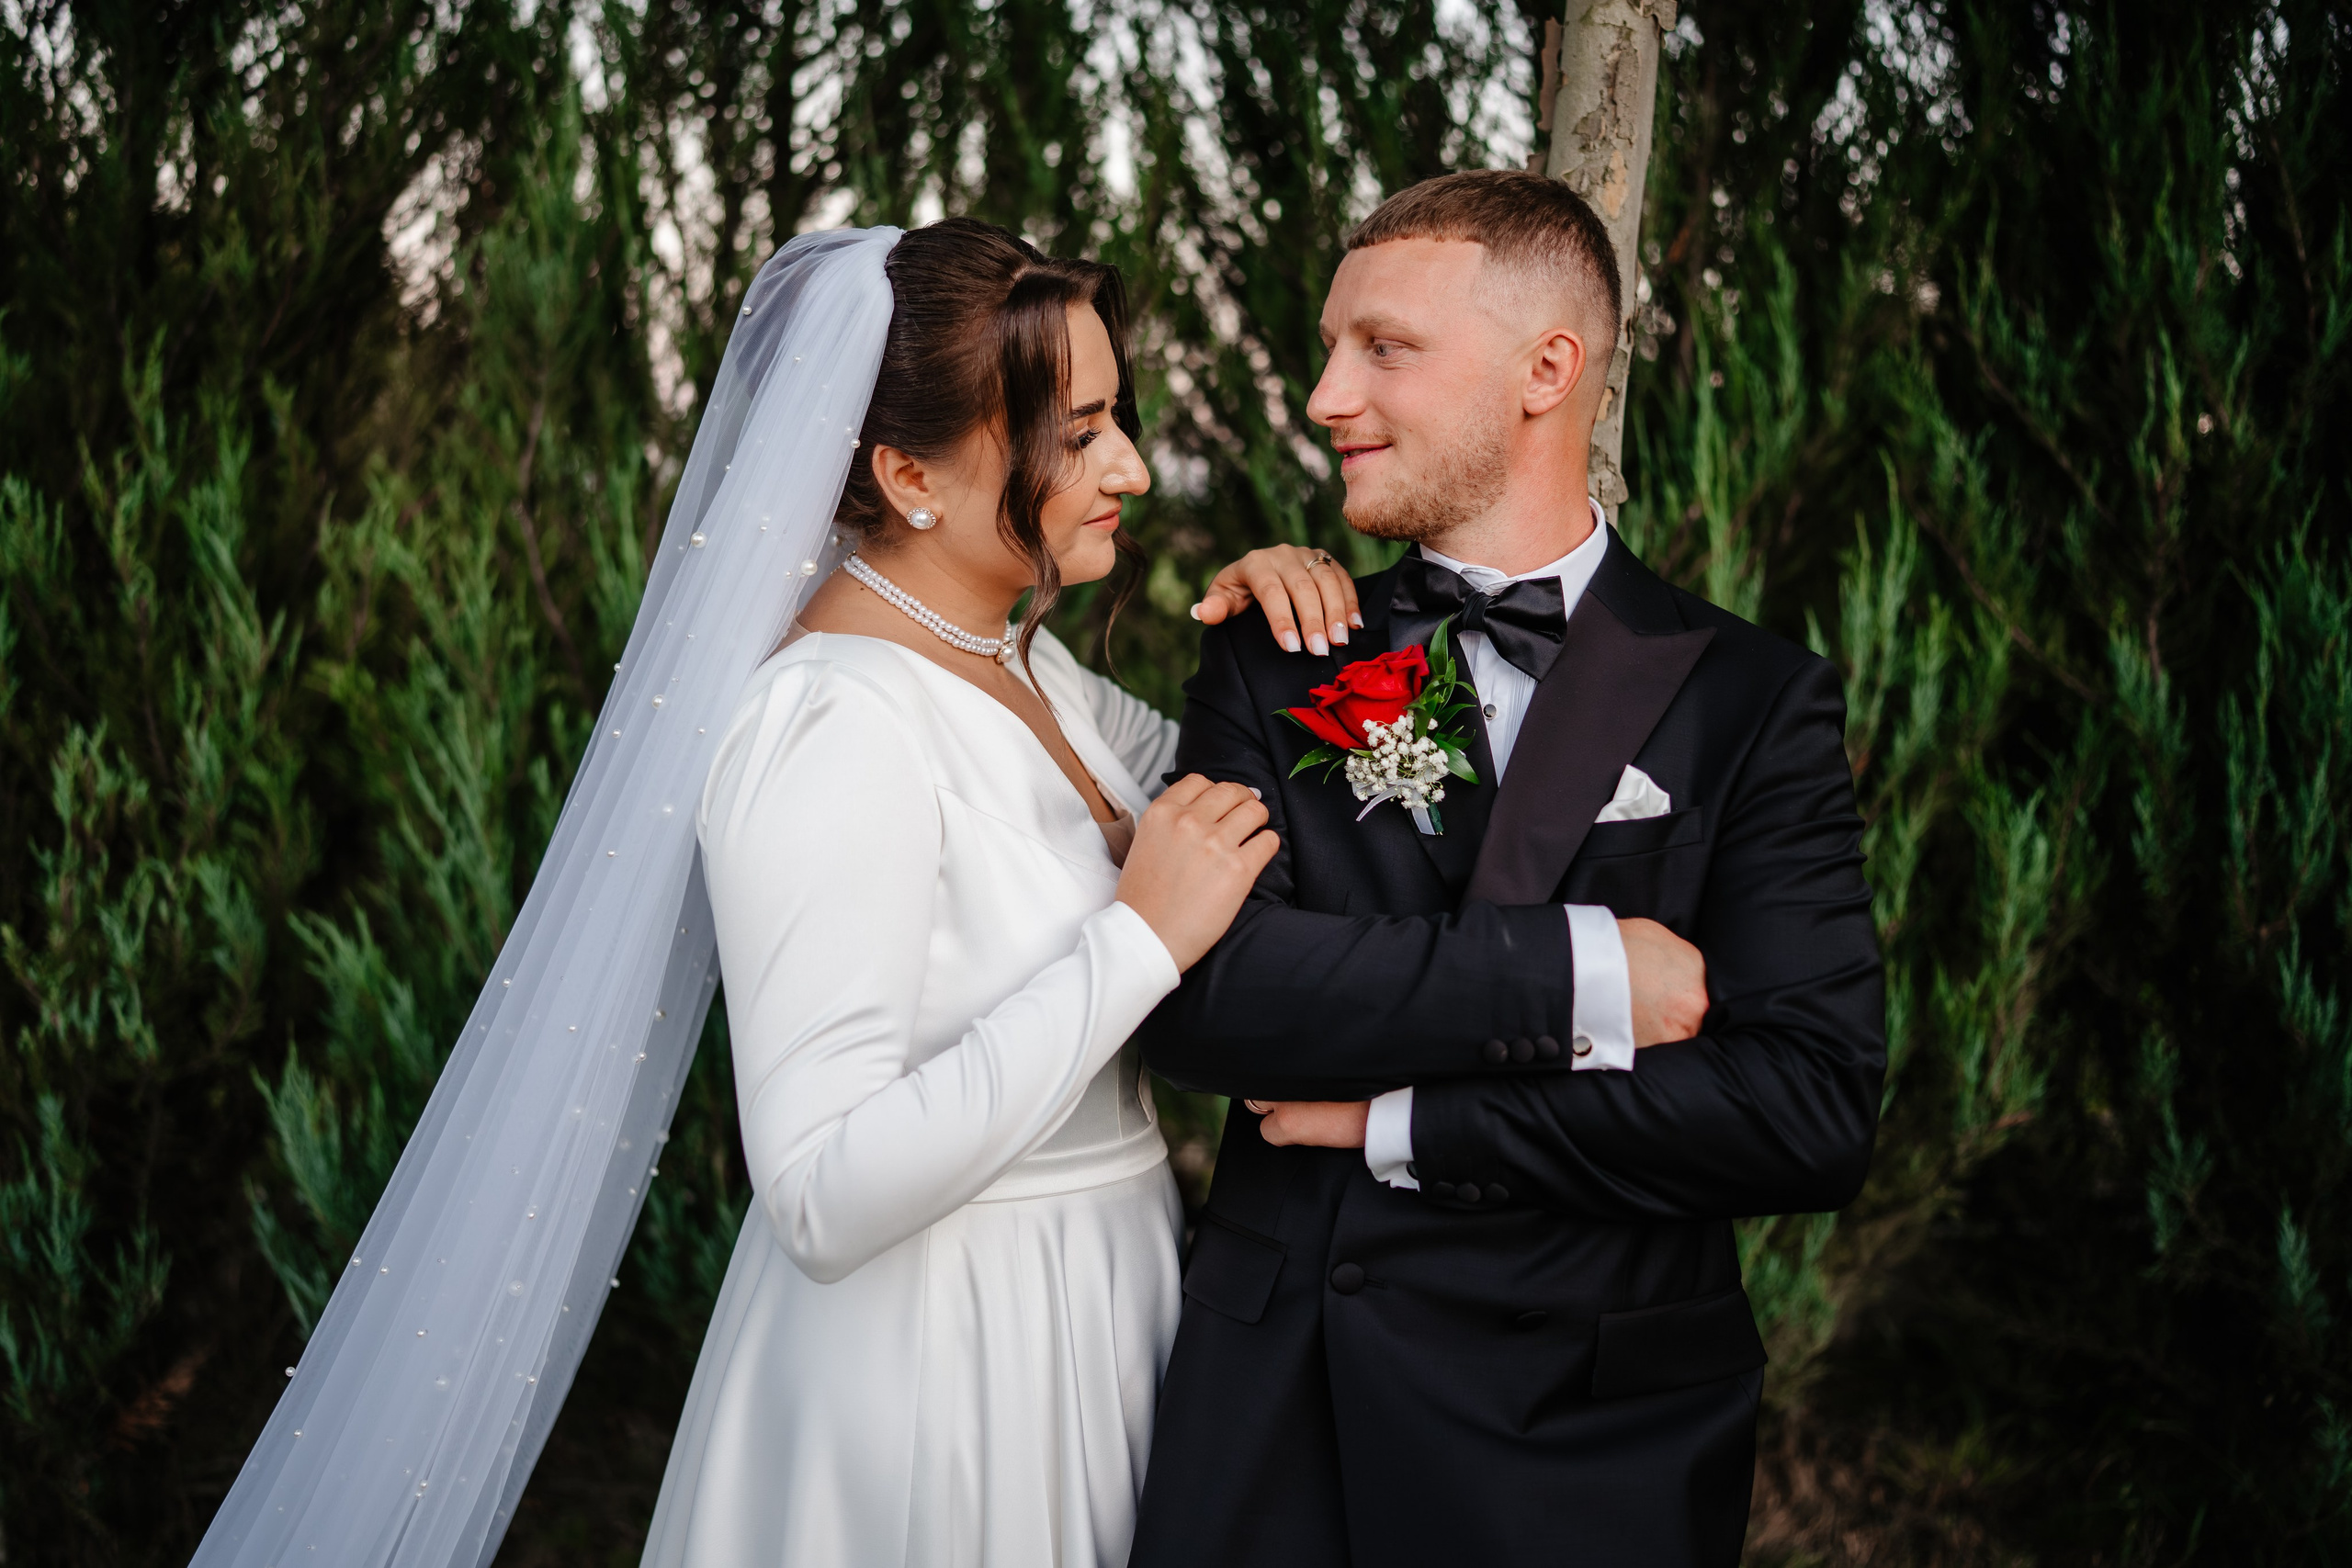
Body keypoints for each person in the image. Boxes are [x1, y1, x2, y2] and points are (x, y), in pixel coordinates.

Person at [1131, 169, 1887, 1567]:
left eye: (1384, 349)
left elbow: (1804, 1106)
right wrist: (1583, 973)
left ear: (1550, 370)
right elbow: (1206, 989)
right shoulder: (1283, 646)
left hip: (1592, 1447)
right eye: (1329, 345)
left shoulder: (1750, 699)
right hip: (1287, 1425)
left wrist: (1399, 1123)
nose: (1320, 397)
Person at [639, 217, 1359, 1568]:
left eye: (1113, 420)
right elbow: (820, 1192)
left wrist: (1288, 652)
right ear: (907, 472)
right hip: (948, 1368)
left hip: (1116, 1297)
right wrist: (1137, 942)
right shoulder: (831, 723)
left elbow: (1241, 807)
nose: (1130, 468)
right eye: (1076, 434)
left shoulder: (1023, 664)